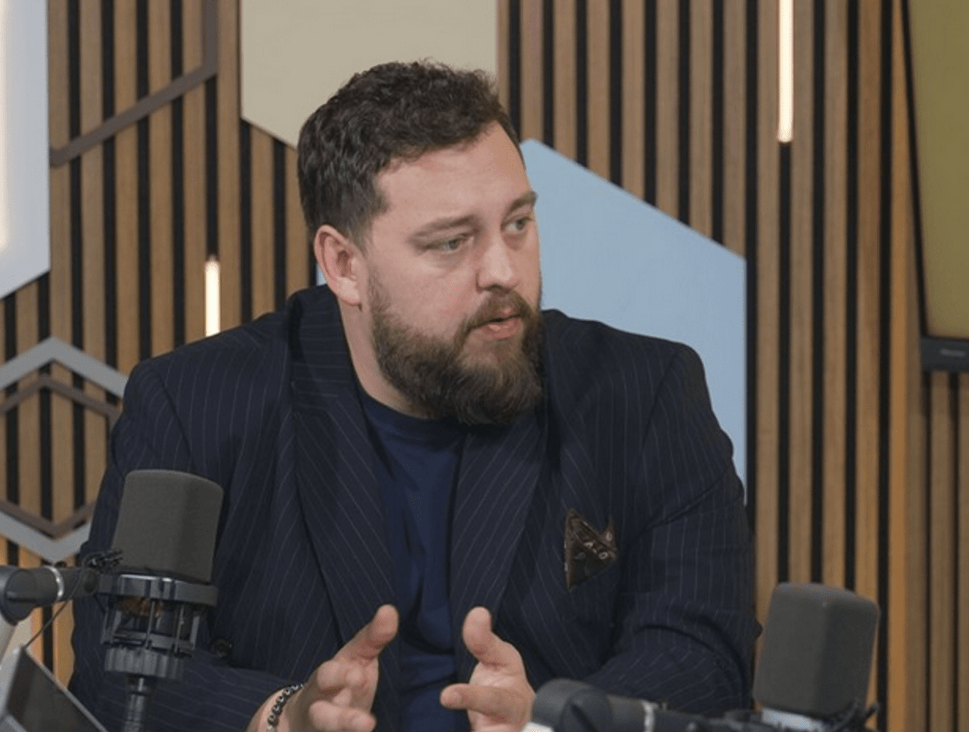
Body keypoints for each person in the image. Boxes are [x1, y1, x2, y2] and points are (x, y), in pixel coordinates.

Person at [70, 61, 757, 732]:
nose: (504, 270)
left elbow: (703, 652)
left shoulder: (645, 394)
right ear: (344, 264)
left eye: (518, 223)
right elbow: (114, 666)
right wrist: (279, 717)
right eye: (452, 242)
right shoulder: (195, 404)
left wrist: (553, 722)